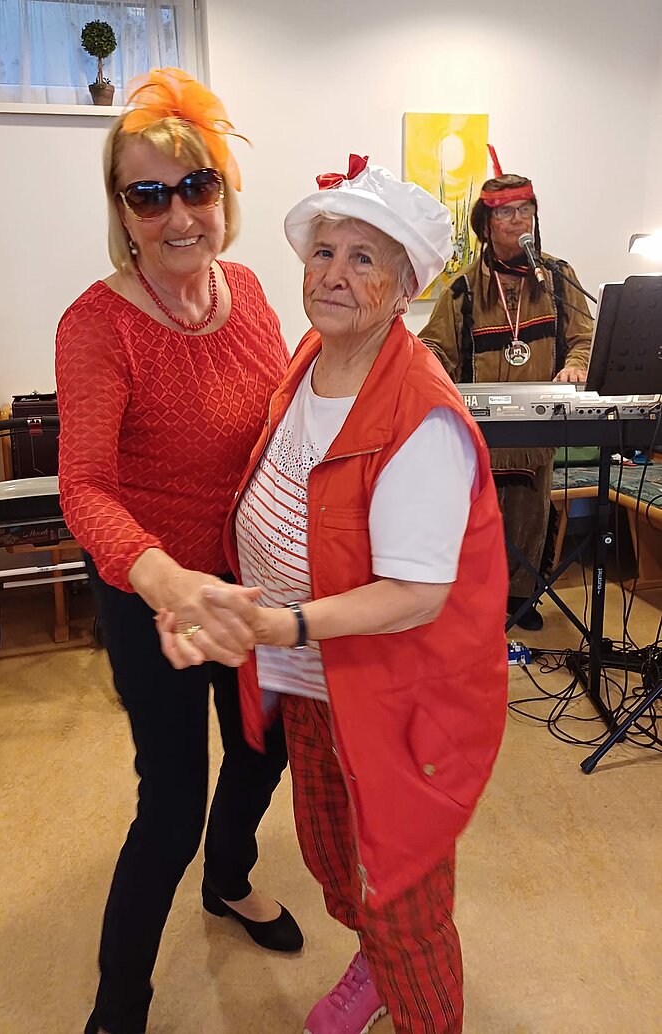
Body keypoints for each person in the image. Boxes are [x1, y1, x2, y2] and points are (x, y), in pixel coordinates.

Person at [158, 155, 509, 1034]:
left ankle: (411, 990)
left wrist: (282, 623)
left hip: (392, 698)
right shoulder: (311, 355)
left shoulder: (419, 415)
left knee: (401, 891)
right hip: (315, 684)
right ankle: (371, 961)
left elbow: (416, 595)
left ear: (404, 288)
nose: (333, 274)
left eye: (363, 258)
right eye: (324, 252)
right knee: (333, 854)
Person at [55, 67, 303, 1034]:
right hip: (148, 586)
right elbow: (84, 488)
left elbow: (277, 426)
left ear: (223, 193)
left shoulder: (250, 291)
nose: (177, 214)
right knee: (168, 807)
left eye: (194, 186)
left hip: (248, 579)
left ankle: (229, 878)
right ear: (122, 212)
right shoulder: (97, 325)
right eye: (147, 195)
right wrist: (168, 582)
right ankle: (119, 1006)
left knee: (264, 747)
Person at [419, 168, 594, 630]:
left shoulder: (559, 278)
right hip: (480, 436)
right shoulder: (463, 288)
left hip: (538, 434)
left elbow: (584, 336)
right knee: (478, 521)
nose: (518, 220)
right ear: (485, 223)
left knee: (530, 515)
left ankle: (521, 600)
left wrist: (576, 365)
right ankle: (475, 602)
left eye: (525, 210)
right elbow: (434, 348)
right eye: (506, 213)